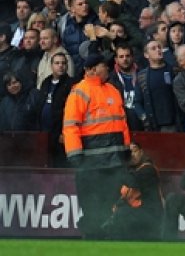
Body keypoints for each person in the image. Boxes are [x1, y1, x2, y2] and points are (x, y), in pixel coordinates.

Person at [63, 47, 131, 238]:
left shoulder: (113, 90)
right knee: (92, 206)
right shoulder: (79, 92)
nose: (108, 68)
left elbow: (122, 123)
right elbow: (70, 126)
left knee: (108, 205)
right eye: (104, 65)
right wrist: (75, 155)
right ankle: (91, 237)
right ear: (91, 69)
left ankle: (99, 238)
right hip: (90, 164)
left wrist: (125, 149)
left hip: (114, 162)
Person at [104, 141, 163, 240]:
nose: (132, 155)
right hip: (136, 214)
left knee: (123, 214)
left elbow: (133, 181)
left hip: (151, 215)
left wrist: (120, 166)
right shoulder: (130, 171)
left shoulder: (148, 169)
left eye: (134, 151)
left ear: (141, 152)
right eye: (129, 153)